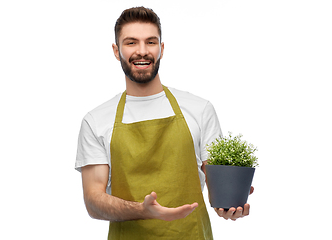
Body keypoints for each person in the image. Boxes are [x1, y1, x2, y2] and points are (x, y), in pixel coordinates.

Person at [75, 6, 253, 239]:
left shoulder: (199, 109)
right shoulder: (96, 121)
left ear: (161, 48)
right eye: (131, 43)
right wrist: (141, 210)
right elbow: (93, 201)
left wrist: (229, 205)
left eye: (150, 42)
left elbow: (215, 187)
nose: (142, 51)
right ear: (116, 51)